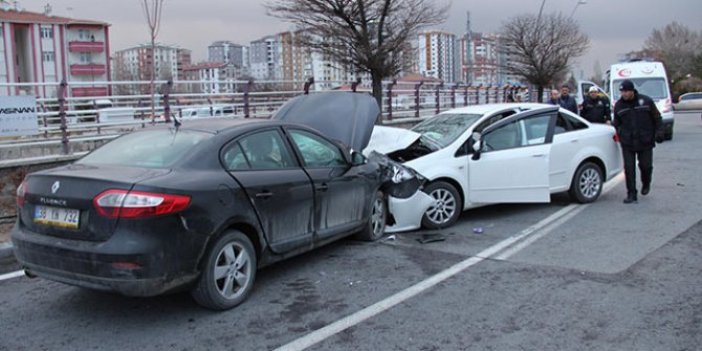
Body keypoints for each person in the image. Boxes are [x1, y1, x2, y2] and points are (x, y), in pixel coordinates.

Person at [612, 79, 664, 204]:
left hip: (645, 141)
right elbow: (616, 123)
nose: (624, 94)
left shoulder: (646, 101)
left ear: (632, 91)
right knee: (629, 169)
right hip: (628, 142)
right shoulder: (619, 105)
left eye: (626, 91)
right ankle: (631, 194)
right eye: (622, 91)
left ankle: (646, 182)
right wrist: (621, 133)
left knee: (645, 166)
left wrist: (659, 132)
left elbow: (657, 118)